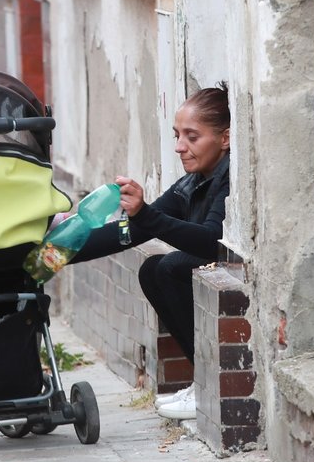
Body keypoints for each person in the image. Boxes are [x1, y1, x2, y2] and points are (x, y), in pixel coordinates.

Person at [70, 82, 231, 420]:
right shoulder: (193, 179)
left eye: (191, 136)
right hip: (205, 264)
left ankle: (207, 385)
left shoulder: (227, 178)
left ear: (225, 139)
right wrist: (61, 249)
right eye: (177, 135)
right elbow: (137, 230)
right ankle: (202, 380)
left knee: (166, 268)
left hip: (226, 268)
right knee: (155, 268)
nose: (179, 147)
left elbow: (210, 240)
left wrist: (146, 214)